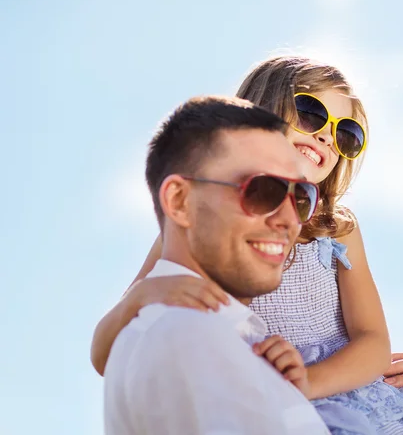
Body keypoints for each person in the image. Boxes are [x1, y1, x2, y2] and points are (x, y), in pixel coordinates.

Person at [95, 56, 403, 435]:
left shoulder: (337, 230)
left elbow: (373, 341)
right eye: (312, 113)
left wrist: (306, 382)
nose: (325, 135)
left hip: (337, 391)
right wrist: (140, 297)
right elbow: (105, 352)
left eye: (347, 134)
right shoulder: (201, 222)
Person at [104, 95, 331, 434]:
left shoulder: (230, 345)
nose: (290, 220)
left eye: (301, 198)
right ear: (180, 202)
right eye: (262, 190)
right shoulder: (186, 336)